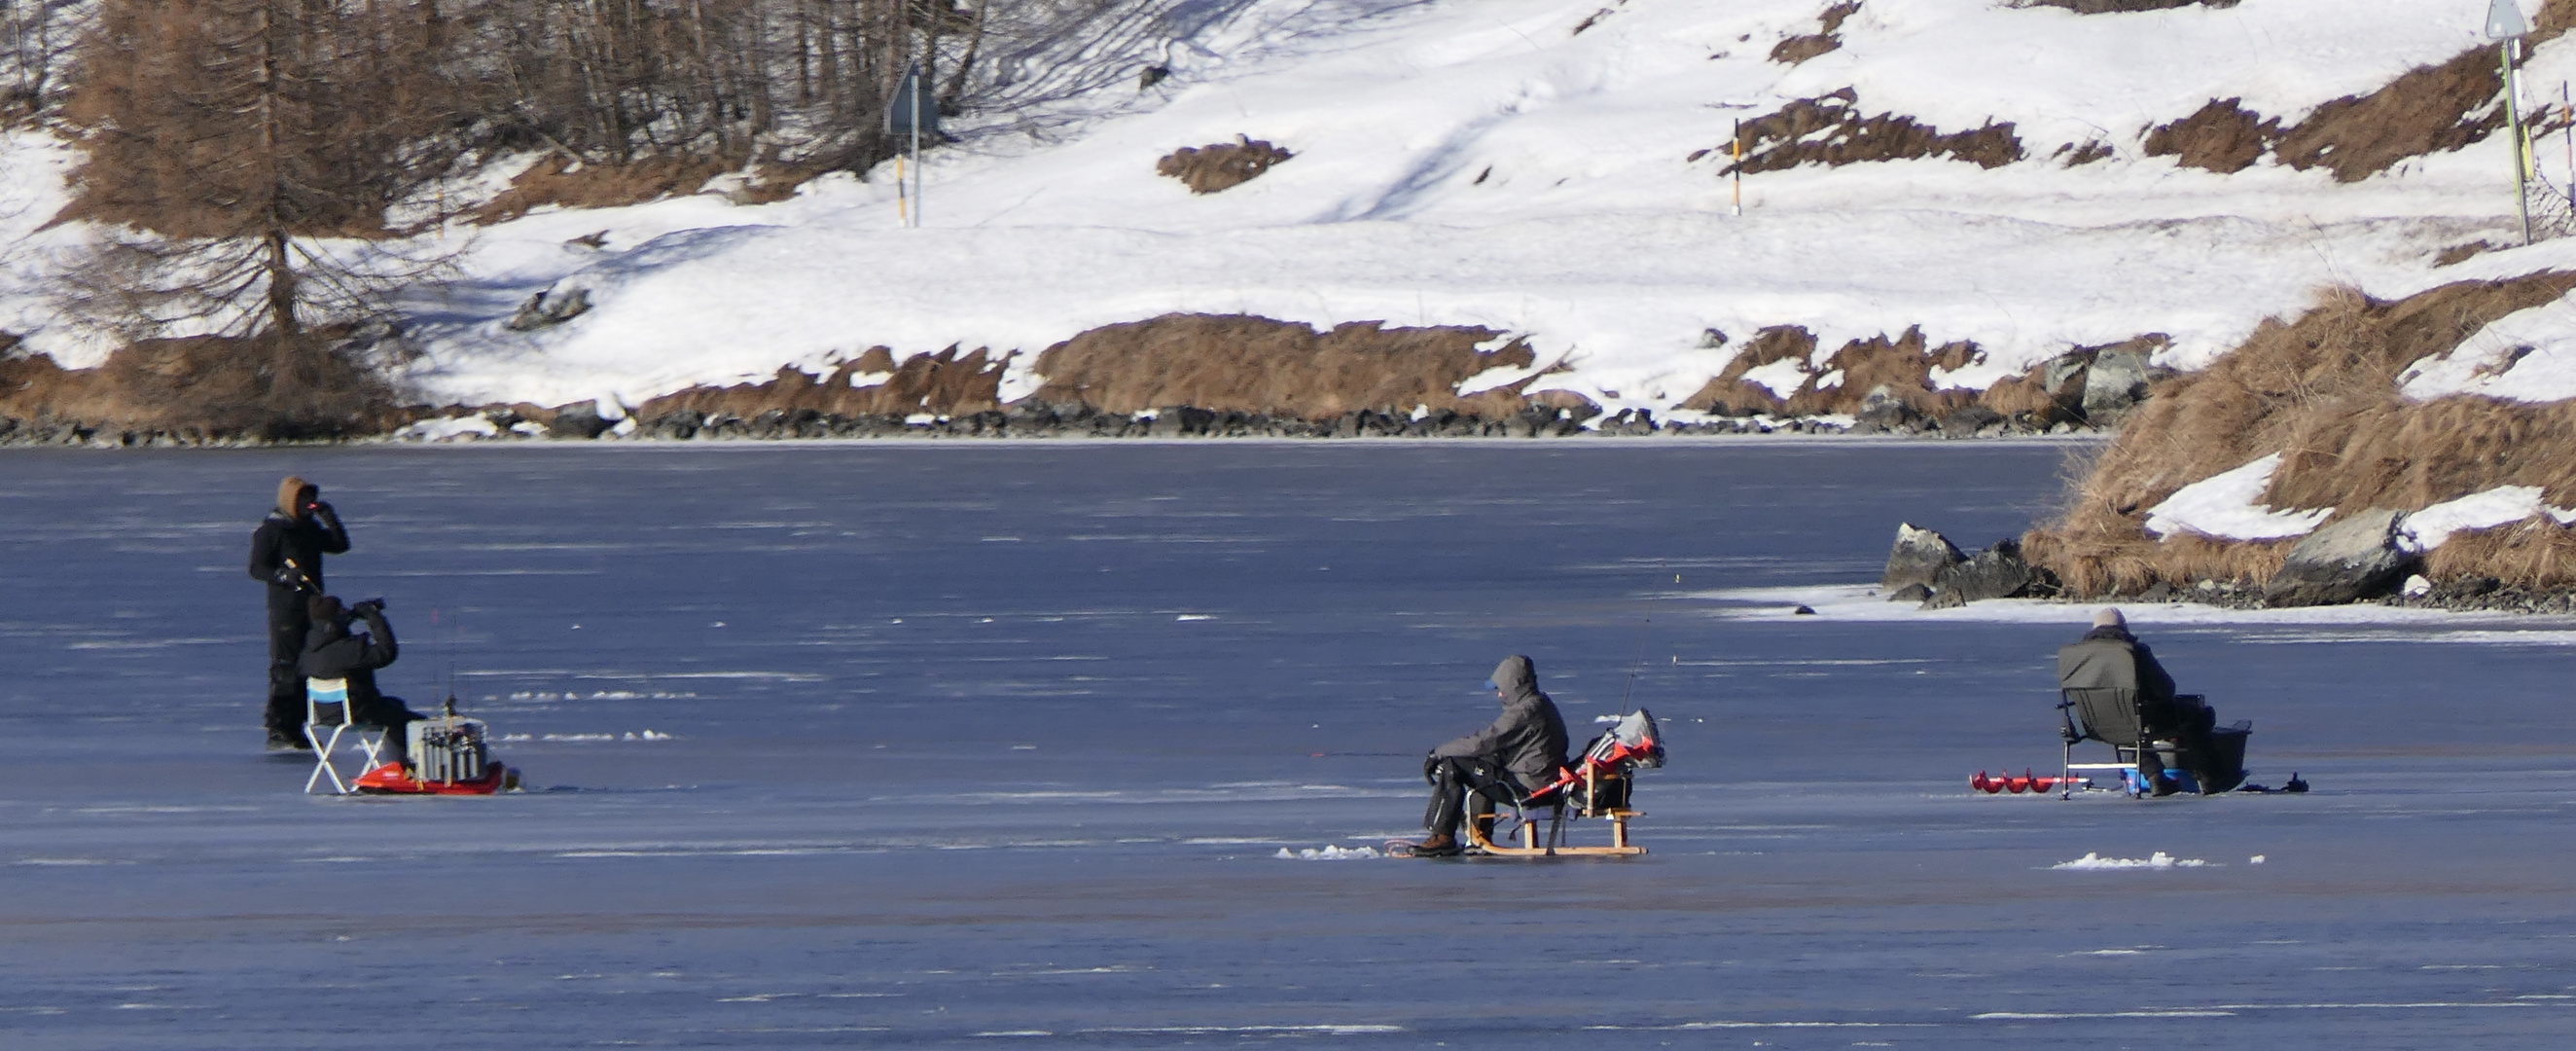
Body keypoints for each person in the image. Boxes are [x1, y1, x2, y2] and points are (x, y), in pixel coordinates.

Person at [1402, 655, 1570, 856]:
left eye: (1501, 689)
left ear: (1514, 685)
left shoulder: (1524, 712)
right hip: (1543, 783)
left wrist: (1437, 753)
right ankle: (1479, 836)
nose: (1499, 695)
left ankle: (1442, 836)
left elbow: (1483, 742)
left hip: (1530, 789)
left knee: (1452, 765)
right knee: (1483, 766)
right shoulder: (1541, 704)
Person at [2057, 607, 2231, 795]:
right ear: (2123, 628)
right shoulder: (2134, 651)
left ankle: (2155, 776)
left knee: (2127, 719)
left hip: (2094, 722)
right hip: (2140, 718)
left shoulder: (2077, 656)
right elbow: (2165, 689)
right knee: (2198, 716)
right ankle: (2211, 778)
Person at [248, 476, 349, 749]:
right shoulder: (271, 530)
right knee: (286, 666)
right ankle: (278, 726)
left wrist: (329, 517)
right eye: (303, 499)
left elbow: (340, 545)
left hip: (312, 609)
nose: (308, 504)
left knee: (309, 665)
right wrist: (283, 575)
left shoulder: (309, 529)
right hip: (286, 611)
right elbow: (257, 568)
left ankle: (297, 725)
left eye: (311, 499)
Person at [298, 595, 424, 763]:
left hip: (325, 713)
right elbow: (386, 653)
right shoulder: (348, 650)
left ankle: (400, 765)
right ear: (335, 620)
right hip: (356, 712)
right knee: (413, 722)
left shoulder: (309, 651)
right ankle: (406, 768)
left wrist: (350, 618)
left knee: (395, 706)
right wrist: (373, 617)